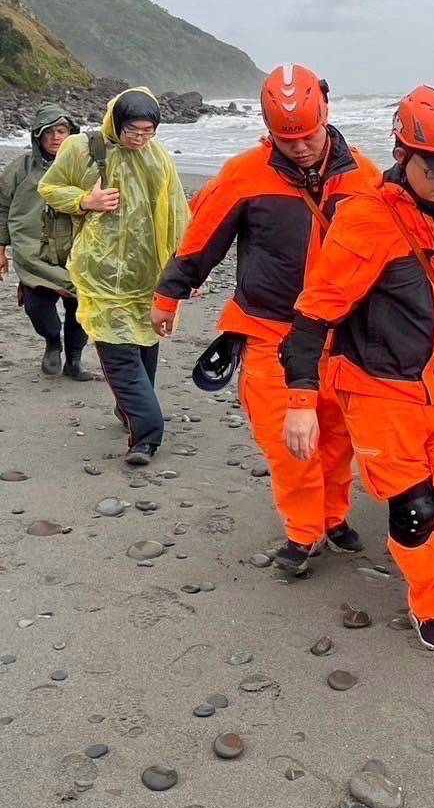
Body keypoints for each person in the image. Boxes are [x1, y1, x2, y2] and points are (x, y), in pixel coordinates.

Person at [280, 85, 434, 654]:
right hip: (377, 388)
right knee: (415, 509)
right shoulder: (364, 222)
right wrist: (300, 404)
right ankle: (431, 603)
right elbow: (312, 315)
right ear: (403, 153)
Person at [151, 65, 380, 576]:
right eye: (286, 137)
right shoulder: (244, 172)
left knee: (338, 438)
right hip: (270, 330)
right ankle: (304, 533)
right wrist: (170, 294)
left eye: (307, 135)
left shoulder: (365, 177)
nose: (298, 147)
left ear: (327, 114)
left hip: (342, 336)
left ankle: (334, 515)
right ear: (268, 128)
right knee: (288, 441)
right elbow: (202, 238)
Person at [38, 87, 189, 465]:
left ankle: (130, 409)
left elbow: (178, 215)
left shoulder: (159, 159)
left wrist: (182, 271)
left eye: (147, 132)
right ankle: (148, 433)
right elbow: (50, 187)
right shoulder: (81, 148)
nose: (139, 139)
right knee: (117, 349)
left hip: (147, 272)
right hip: (100, 273)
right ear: (116, 123)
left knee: (144, 341)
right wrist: (85, 201)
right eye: (133, 131)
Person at [0, 104, 94, 379]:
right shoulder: (21, 169)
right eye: (49, 131)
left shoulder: (85, 168)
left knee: (81, 307)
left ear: (71, 134)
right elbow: (2, 206)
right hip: (33, 252)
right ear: (37, 136)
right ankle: (52, 342)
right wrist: (1, 247)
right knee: (36, 307)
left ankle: (74, 359)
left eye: (61, 131)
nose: (56, 137)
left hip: (77, 249)